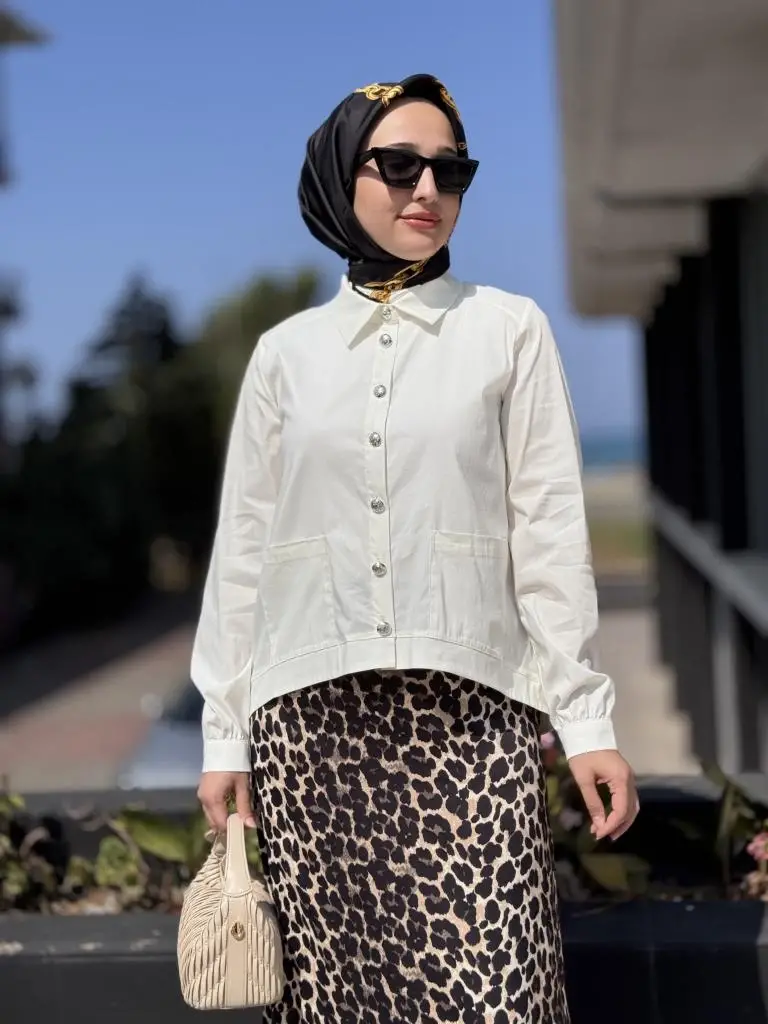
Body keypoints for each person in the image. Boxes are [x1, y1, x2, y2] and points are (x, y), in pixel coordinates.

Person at [192, 73, 639, 1024]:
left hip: (475, 725)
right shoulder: (284, 357)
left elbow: (550, 533)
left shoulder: (510, 330)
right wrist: (225, 735)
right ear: (339, 177)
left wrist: (586, 720)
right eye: (398, 165)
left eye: (451, 169)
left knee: (501, 993)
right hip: (312, 737)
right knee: (338, 1000)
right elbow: (244, 558)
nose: (427, 189)